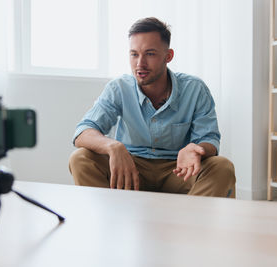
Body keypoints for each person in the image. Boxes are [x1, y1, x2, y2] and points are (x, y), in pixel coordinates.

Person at [69, 17, 236, 197]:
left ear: (168, 56)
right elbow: (83, 131)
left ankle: (188, 222)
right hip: (130, 168)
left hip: (179, 170)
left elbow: (209, 138)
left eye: (150, 54)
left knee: (222, 167)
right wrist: (113, 147)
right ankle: (109, 218)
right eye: (134, 54)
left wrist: (195, 149)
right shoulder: (118, 88)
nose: (140, 64)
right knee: (80, 159)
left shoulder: (195, 89)